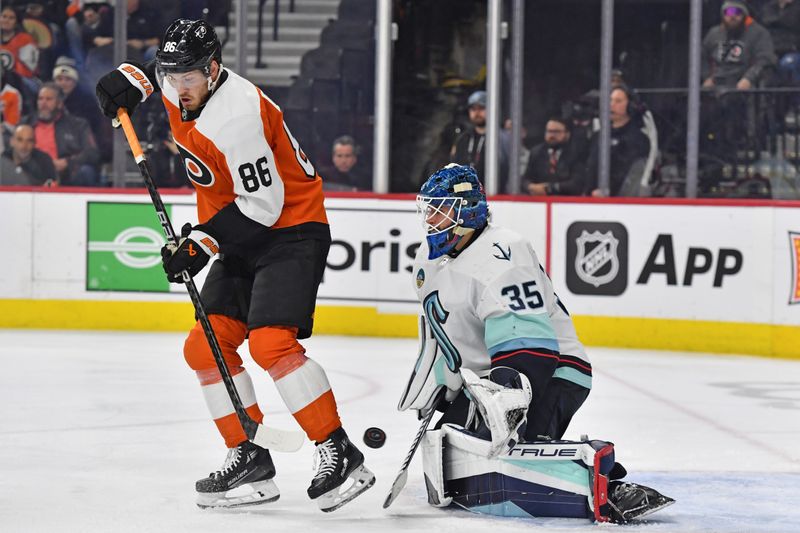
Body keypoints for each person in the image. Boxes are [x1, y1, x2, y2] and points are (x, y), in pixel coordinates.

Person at [95, 19, 374, 511]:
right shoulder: (179, 81)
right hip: (239, 230)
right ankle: (248, 456)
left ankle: (339, 450)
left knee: (271, 343)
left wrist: (201, 242)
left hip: (290, 228)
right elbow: (146, 78)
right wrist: (125, 80)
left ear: (214, 69)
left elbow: (265, 205)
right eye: (171, 76)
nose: (179, 90)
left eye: (189, 79)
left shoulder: (237, 116)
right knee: (205, 348)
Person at [405, 163, 674, 523]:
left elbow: (531, 351)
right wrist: (447, 390)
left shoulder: (503, 253)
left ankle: (607, 483)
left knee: (508, 452)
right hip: (488, 381)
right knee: (452, 449)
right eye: (430, 210)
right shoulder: (428, 260)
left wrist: (504, 417)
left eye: (441, 211)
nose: (431, 220)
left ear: (467, 212)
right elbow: (443, 336)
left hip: (554, 370)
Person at [22, 82, 100, 186]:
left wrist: (67, 162)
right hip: (32, 174)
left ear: (59, 103)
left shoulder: (77, 125)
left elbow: (92, 153)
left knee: (86, 172)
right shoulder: (25, 124)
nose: (43, 103)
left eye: (48, 99)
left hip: (65, 176)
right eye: (40, 99)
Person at [585, 86, 652, 196]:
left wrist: (608, 191)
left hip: (621, 202)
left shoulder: (638, 139)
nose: (612, 105)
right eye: (610, 100)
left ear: (630, 106)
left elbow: (630, 174)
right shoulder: (598, 136)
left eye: (618, 101)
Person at [702, 0, 776, 90]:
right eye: (728, 12)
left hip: (744, 81)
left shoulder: (758, 33)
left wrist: (749, 78)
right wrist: (706, 77)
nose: (733, 16)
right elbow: (701, 56)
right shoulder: (714, 33)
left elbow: (765, 60)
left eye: (737, 12)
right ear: (723, 15)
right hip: (717, 82)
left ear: (744, 14)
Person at [450, 90, 510, 187]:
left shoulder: (502, 138)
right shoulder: (463, 139)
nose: (477, 113)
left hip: (495, 196)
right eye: (473, 109)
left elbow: (509, 172)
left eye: (481, 108)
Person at [522, 117, 586, 196]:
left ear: (567, 134)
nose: (552, 135)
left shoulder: (576, 153)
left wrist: (549, 188)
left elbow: (576, 184)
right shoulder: (536, 152)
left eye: (556, 132)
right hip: (539, 201)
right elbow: (525, 178)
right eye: (549, 131)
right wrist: (530, 186)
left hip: (567, 201)